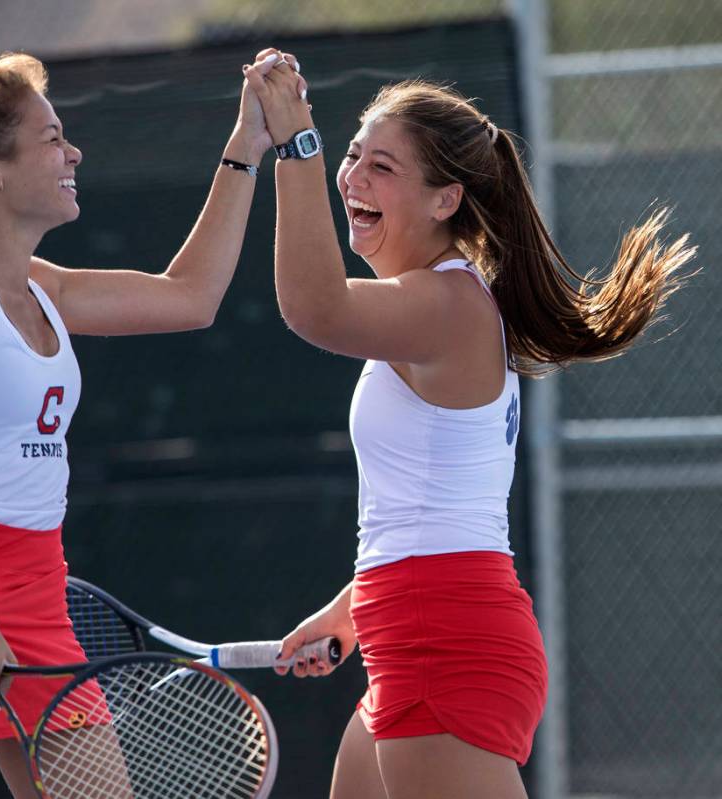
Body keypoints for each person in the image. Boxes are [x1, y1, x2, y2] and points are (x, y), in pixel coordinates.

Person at [0, 33, 302, 799]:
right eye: (51, 139)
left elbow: (192, 295)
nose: (73, 153)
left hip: (38, 604)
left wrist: (246, 143)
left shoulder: (44, 285)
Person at [243, 51, 695, 799]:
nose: (352, 174)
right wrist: (349, 608)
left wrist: (297, 143)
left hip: (444, 638)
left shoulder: (447, 305)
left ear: (445, 199)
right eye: (351, 152)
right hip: (414, 625)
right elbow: (428, 504)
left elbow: (315, 306)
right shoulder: (430, 305)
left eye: (380, 165)